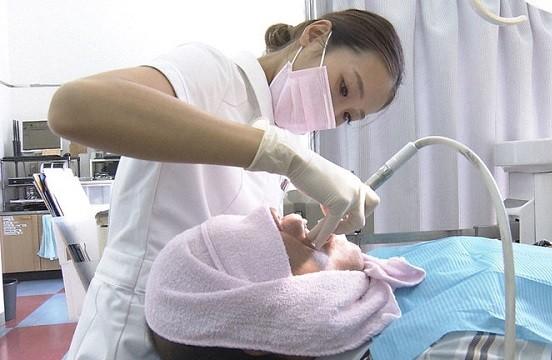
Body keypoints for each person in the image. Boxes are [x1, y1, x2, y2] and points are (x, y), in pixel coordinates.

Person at [47, 9, 404, 359]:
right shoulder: (214, 72)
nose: (330, 113)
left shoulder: (290, 133)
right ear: (314, 36)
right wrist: (284, 156)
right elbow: (72, 108)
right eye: (342, 88)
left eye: (346, 117)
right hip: (131, 326)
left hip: (211, 336)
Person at [144, 210, 552, 360]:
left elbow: (479, 281)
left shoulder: (370, 281)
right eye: (271, 239)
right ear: (277, 317)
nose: (295, 220)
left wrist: (550, 255)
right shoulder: (431, 352)